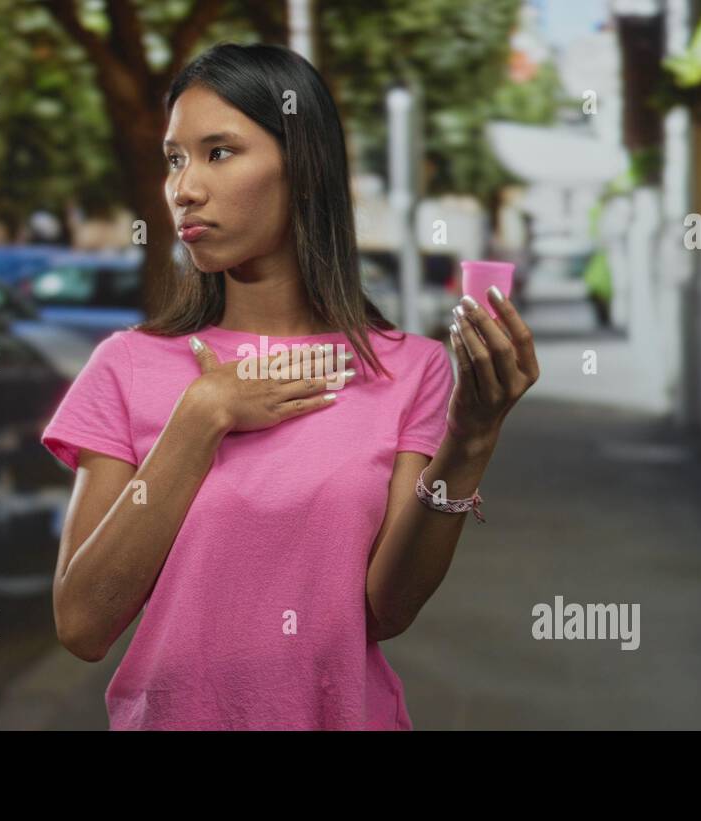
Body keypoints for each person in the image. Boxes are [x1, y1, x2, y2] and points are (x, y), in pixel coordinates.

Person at [41, 43, 539, 730]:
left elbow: (386, 609)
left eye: (219, 152)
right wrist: (203, 414)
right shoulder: (127, 365)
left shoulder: (409, 369)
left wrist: (473, 435)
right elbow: (83, 622)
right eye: (175, 157)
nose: (184, 187)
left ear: (304, 169)